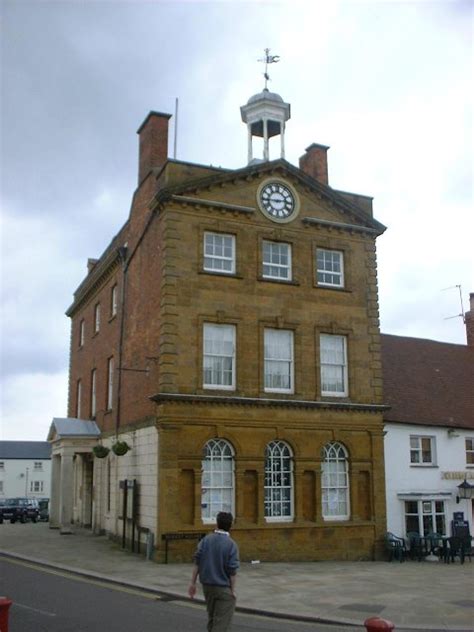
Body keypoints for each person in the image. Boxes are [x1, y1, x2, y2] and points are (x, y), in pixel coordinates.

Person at [188, 511, 240, 632]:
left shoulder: (206, 540)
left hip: (207, 586)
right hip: (223, 588)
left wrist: (193, 583)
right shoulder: (231, 545)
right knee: (222, 624)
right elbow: (232, 571)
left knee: (212, 619)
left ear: (216, 524)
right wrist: (232, 590)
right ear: (231, 526)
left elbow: (197, 562)